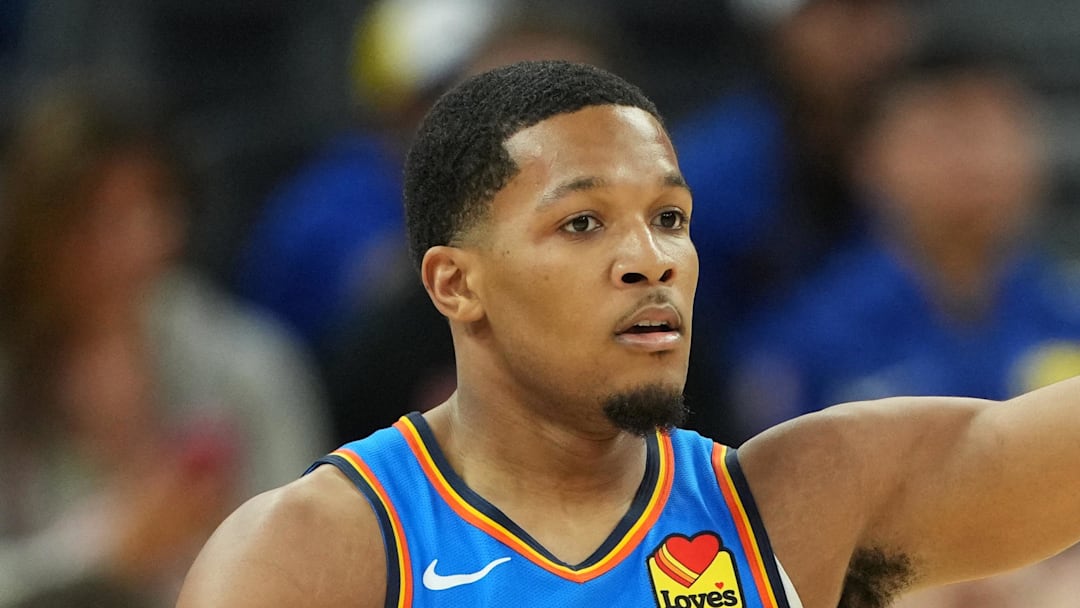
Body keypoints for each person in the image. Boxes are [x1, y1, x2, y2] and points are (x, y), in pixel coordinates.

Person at [176, 61, 1080, 608]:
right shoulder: (319, 551)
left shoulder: (791, 506)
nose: (651, 260)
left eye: (671, 219)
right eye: (583, 224)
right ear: (457, 284)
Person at [0, 86, 329, 607]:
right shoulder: (14, 370)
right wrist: (101, 545)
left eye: (150, 207)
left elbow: (312, 554)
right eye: (92, 218)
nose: (132, 243)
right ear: (34, 229)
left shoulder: (250, 364)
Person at [724, 51, 1080, 441]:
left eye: (993, 133)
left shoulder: (1066, 313)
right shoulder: (809, 337)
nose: (974, 161)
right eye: (941, 136)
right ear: (867, 160)